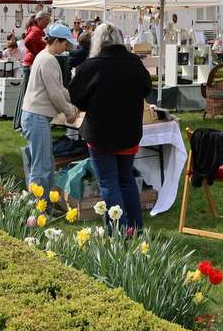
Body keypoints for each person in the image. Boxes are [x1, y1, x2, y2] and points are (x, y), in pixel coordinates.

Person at [69, 23, 151, 231]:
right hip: (129, 132)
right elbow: (146, 90)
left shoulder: (91, 66)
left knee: (108, 183)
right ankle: (135, 227)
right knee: (126, 179)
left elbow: (76, 96)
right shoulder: (135, 63)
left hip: (100, 133)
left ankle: (119, 231)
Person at [21, 23, 81, 193]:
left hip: (36, 116)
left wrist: (75, 98)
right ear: (56, 41)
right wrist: (69, 112)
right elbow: (55, 94)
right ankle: (36, 208)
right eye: (65, 44)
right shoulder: (48, 60)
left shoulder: (44, 56)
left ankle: (45, 205)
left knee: (46, 163)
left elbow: (59, 89)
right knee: (41, 167)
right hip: (36, 117)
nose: (66, 47)